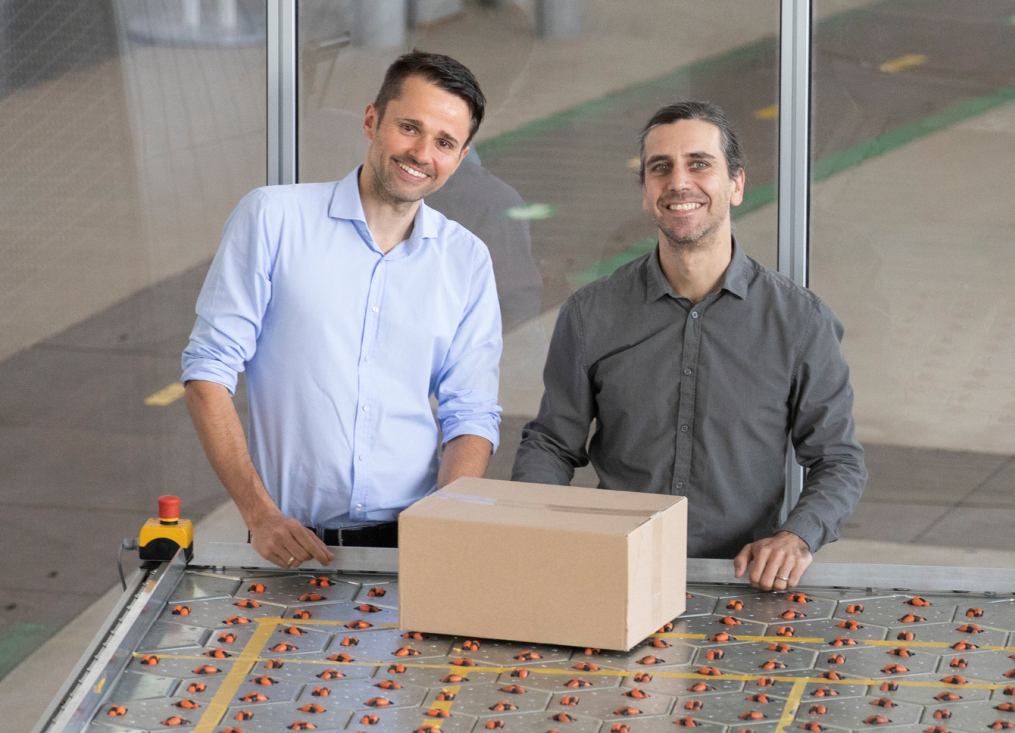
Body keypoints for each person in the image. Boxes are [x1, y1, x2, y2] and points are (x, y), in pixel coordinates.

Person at [512, 101, 866, 591]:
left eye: (699, 164)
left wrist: (796, 537)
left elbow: (838, 460)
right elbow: (552, 443)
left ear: (736, 185)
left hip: (744, 585)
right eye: (661, 168)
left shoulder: (800, 322)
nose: (679, 182)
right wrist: (531, 524)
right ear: (645, 193)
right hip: (616, 574)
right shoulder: (591, 314)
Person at [182, 51, 503, 569]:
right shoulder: (273, 219)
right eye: (409, 127)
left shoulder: (466, 261)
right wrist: (259, 514)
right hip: (286, 541)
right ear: (372, 120)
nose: (422, 153)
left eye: (444, 142)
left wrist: (447, 529)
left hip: (413, 543)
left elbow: (471, 412)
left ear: (461, 157)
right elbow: (207, 374)